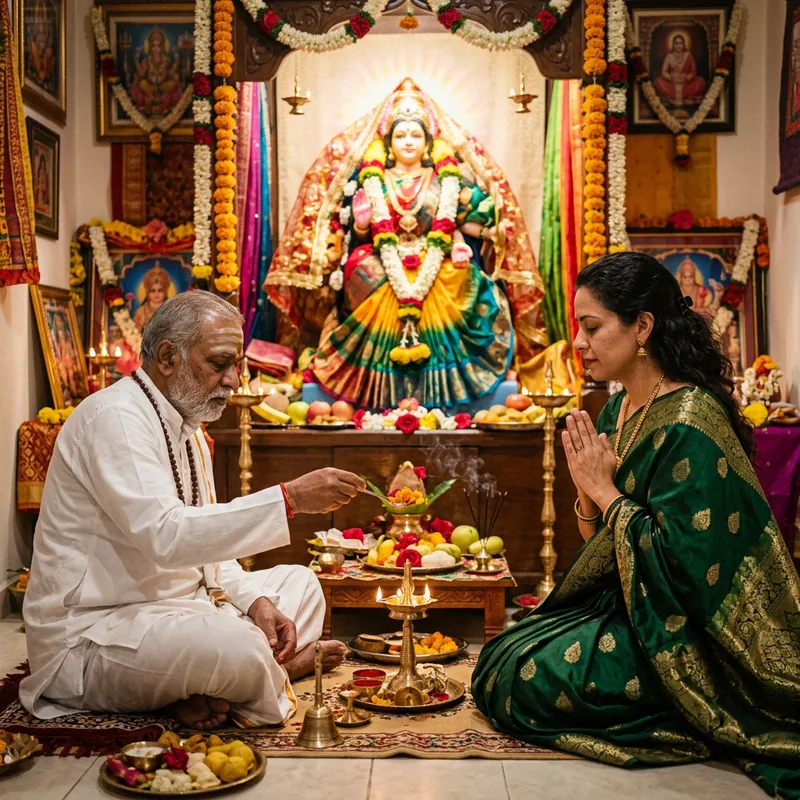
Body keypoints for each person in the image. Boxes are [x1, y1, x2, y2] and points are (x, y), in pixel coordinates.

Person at [471, 253, 800, 797]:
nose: (578, 342)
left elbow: (686, 567)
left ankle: (693, 712)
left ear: (642, 326)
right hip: (631, 605)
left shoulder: (691, 420)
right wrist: (585, 493)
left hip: (690, 633)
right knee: (502, 655)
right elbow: (602, 546)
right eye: (579, 326)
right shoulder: (615, 410)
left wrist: (604, 491)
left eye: (592, 327)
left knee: (522, 679)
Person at [21, 291, 366, 730]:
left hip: (185, 611)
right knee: (235, 649)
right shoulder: (115, 419)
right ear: (168, 356)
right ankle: (274, 673)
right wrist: (290, 498)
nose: (234, 380)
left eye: (237, 364)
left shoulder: (185, 423)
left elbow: (209, 548)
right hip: (97, 631)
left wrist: (257, 602)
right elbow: (168, 537)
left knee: (300, 583)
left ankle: (225, 684)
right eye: (220, 363)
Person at [266, 78, 548, 409]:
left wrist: (483, 228)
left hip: (435, 256)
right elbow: (359, 234)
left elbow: (468, 220)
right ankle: (375, 380)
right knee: (360, 268)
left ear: (428, 143)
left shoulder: (447, 180)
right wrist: (359, 223)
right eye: (401, 135)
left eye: (416, 134)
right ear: (388, 142)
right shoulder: (373, 179)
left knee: (462, 278)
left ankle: (447, 381)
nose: (409, 141)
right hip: (383, 259)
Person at [653, 33, 707, 107]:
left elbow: (693, 71)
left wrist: (688, 77)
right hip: (672, 82)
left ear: (684, 44)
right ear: (673, 45)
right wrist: (670, 77)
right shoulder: (669, 56)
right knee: (657, 82)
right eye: (676, 43)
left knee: (700, 82)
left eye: (680, 43)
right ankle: (673, 99)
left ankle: (685, 99)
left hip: (686, 82)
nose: (678, 46)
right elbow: (664, 71)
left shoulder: (688, 55)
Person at [133, 263, 169, 331]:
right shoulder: (140, 312)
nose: (156, 294)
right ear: (147, 292)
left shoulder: (171, 311)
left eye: (160, 290)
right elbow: (136, 332)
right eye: (153, 291)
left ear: (165, 292)